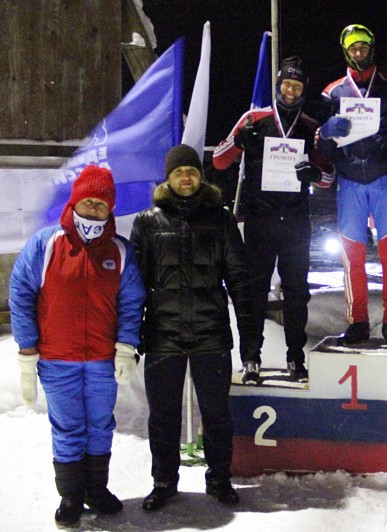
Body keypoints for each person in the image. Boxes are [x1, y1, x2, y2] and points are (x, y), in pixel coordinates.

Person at [9, 166, 146, 527]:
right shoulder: (45, 244)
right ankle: (71, 495)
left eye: (101, 205)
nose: (93, 211)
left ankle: (96, 490)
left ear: (110, 209)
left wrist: (125, 346)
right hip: (57, 360)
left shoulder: (120, 252)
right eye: (88, 202)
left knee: (100, 425)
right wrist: (27, 348)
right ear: (74, 201)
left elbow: (132, 301)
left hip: (102, 360)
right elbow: (21, 293)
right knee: (68, 428)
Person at [131, 144, 262, 511]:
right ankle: (163, 481)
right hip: (162, 336)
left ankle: (219, 478)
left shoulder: (220, 219)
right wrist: (129, 338)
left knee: (217, 413)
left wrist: (252, 338)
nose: (185, 177)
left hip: (210, 334)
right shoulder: (147, 222)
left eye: (191, 171)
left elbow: (239, 279)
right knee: (163, 416)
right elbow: (134, 286)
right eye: (178, 172)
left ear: (200, 176)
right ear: (168, 178)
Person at [213, 56, 332, 383]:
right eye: (286, 84)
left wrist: (315, 174)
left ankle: (296, 358)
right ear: (277, 85)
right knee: (253, 293)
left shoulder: (310, 126)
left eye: (297, 86)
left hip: (295, 222)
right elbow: (219, 161)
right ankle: (251, 359)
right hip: (260, 220)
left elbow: (328, 177)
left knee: (297, 292)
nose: (291, 91)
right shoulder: (254, 118)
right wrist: (239, 142)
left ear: (303, 89)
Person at [316, 24, 387, 347]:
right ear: (345, 51)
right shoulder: (332, 92)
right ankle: (358, 320)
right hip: (350, 183)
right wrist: (325, 131)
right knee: (352, 254)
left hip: (386, 180)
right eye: (353, 48)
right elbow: (319, 146)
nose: (359, 52)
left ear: (372, 48)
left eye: (363, 46)